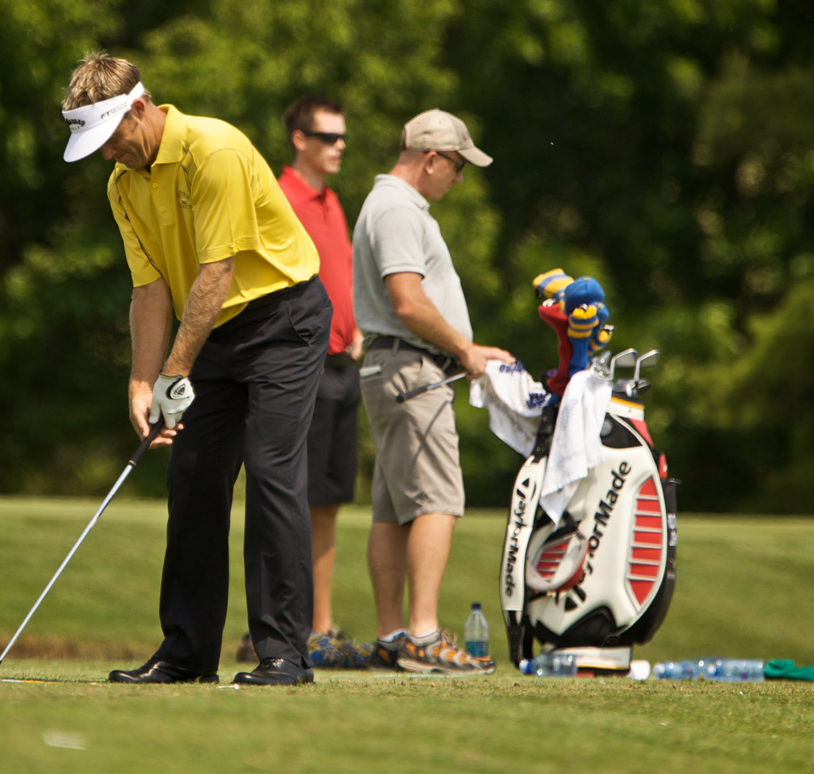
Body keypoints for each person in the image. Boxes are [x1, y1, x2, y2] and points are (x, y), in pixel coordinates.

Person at [60, 53, 332, 687]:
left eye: (110, 139)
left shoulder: (214, 150)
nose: (107, 155)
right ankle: (185, 652)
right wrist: (140, 382)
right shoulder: (122, 184)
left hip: (283, 321)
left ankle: (284, 654)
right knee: (194, 479)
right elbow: (151, 288)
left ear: (138, 109)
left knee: (271, 474)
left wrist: (172, 375)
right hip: (208, 333)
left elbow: (217, 274)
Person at [352, 108, 514, 675]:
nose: (460, 178)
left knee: (393, 510)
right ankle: (420, 636)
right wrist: (466, 351)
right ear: (431, 159)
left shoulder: (389, 204)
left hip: (394, 368)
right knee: (438, 500)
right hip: (412, 370)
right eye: (457, 166)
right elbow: (408, 301)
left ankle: (393, 637)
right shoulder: (398, 209)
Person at [278, 97, 367, 667]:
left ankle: (321, 627)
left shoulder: (334, 202)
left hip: (343, 368)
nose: (338, 146)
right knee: (291, 497)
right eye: (327, 136)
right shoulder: (281, 198)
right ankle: (284, 625)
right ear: (298, 139)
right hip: (300, 367)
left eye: (342, 138)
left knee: (328, 502)